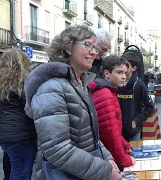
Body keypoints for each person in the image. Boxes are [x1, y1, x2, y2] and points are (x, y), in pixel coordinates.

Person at [24, 25, 121, 180]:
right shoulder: (51, 88)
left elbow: (90, 135)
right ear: (68, 48)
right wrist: (105, 171)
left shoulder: (80, 84)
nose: (94, 52)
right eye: (87, 45)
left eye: (95, 47)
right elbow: (57, 149)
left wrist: (107, 157)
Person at [89, 55, 136, 169]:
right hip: (107, 158)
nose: (124, 77)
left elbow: (114, 130)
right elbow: (110, 134)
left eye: (125, 73)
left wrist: (125, 145)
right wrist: (125, 160)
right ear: (107, 73)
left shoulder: (108, 91)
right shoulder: (105, 94)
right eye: (119, 73)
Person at [0, 49, 37, 180]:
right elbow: (30, 108)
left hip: (5, 136)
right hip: (22, 136)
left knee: (14, 169)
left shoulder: (2, 81)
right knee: (21, 173)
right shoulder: (21, 83)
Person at [119, 47, 155, 141]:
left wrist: (136, 120)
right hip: (117, 132)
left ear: (134, 68)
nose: (123, 68)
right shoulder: (115, 82)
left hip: (133, 133)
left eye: (126, 66)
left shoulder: (139, 85)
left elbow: (150, 107)